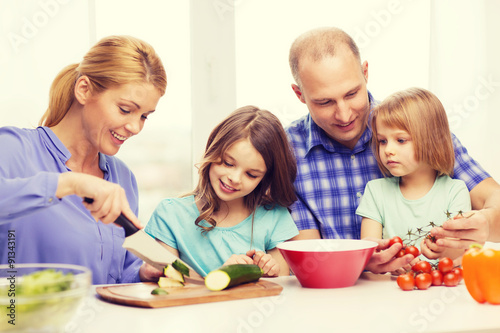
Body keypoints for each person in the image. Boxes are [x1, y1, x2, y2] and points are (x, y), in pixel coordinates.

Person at [285, 26, 500, 274]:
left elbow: (492, 199)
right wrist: (361, 259)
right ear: (299, 94)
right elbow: (309, 258)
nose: (344, 115)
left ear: (365, 73)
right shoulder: (286, 152)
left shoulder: (416, 127)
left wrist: (486, 222)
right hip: (337, 296)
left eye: (352, 93)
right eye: (325, 102)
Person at [0, 35, 167, 284]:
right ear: (84, 90)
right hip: (21, 321)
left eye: (144, 116)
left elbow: (120, 273)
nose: (135, 127)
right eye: (125, 109)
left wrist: (142, 272)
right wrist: (70, 184)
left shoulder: (123, 178)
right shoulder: (13, 149)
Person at [145, 106, 299, 277]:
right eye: (228, 163)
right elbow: (170, 282)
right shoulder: (171, 214)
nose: (235, 178)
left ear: (265, 178)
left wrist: (268, 270)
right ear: (213, 149)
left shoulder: (274, 216)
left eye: (251, 174)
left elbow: (280, 284)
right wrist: (223, 275)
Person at [356, 88, 471, 271]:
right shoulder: (375, 191)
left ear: (431, 140)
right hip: (389, 290)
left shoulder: (455, 191)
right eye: (382, 141)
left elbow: (461, 250)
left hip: (438, 288)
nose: (387, 150)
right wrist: (385, 259)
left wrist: (441, 249)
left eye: (400, 140)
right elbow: (370, 250)